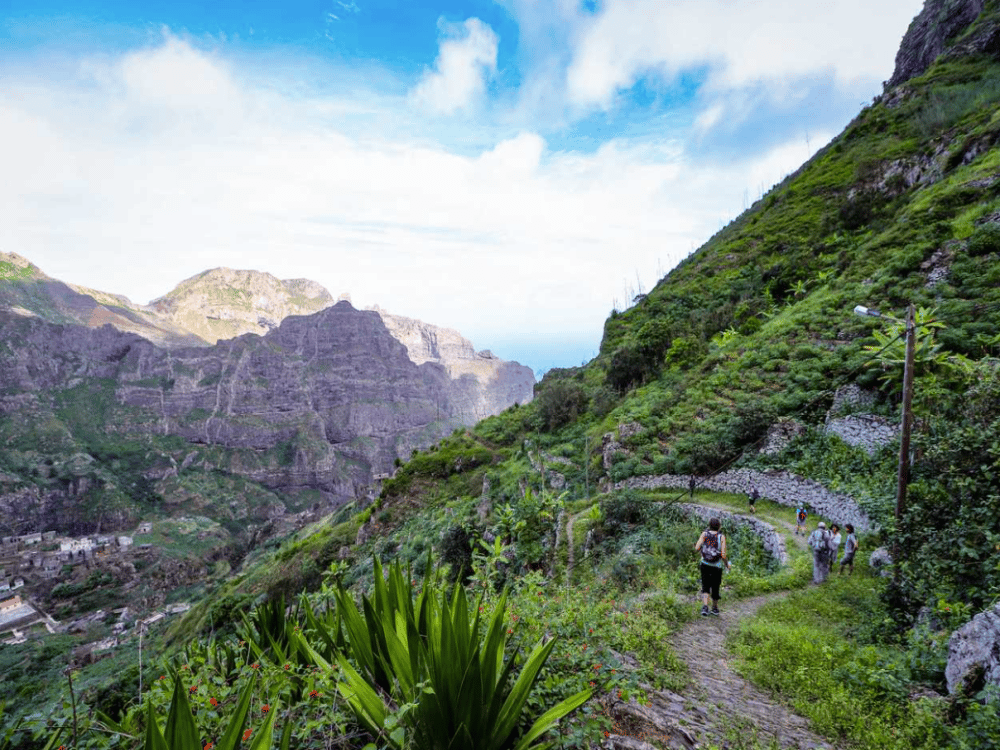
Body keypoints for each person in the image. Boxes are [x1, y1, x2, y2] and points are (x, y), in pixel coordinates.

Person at [695, 517, 730, 616]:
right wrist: (727, 565)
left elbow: (697, 547)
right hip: (717, 566)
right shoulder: (721, 537)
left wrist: (703, 553)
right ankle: (714, 608)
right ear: (719, 526)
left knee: (705, 585)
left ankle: (705, 607)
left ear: (709, 525)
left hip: (704, 564)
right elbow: (723, 555)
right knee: (715, 586)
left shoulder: (704, 534)